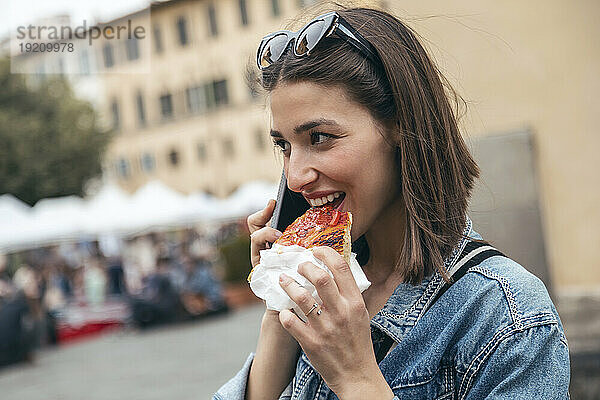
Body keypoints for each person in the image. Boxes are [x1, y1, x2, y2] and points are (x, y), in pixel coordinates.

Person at [215, 6, 569, 400]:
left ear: (401, 124)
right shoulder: (320, 287)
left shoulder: (508, 317)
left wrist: (356, 378)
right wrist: (279, 308)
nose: (295, 178)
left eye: (319, 138)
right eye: (283, 145)